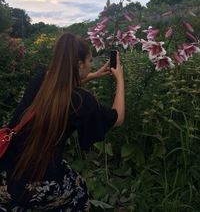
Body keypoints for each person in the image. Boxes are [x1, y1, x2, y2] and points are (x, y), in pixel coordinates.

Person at [0, 32, 124, 211]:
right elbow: (117, 118)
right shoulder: (81, 102)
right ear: (79, 64)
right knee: (79, 193)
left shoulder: (41, 79)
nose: (91, 65)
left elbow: (61, 83)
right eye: (90, 62)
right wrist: (120, 80)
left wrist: (94, 75)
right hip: (36, 183)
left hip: (4, 170)